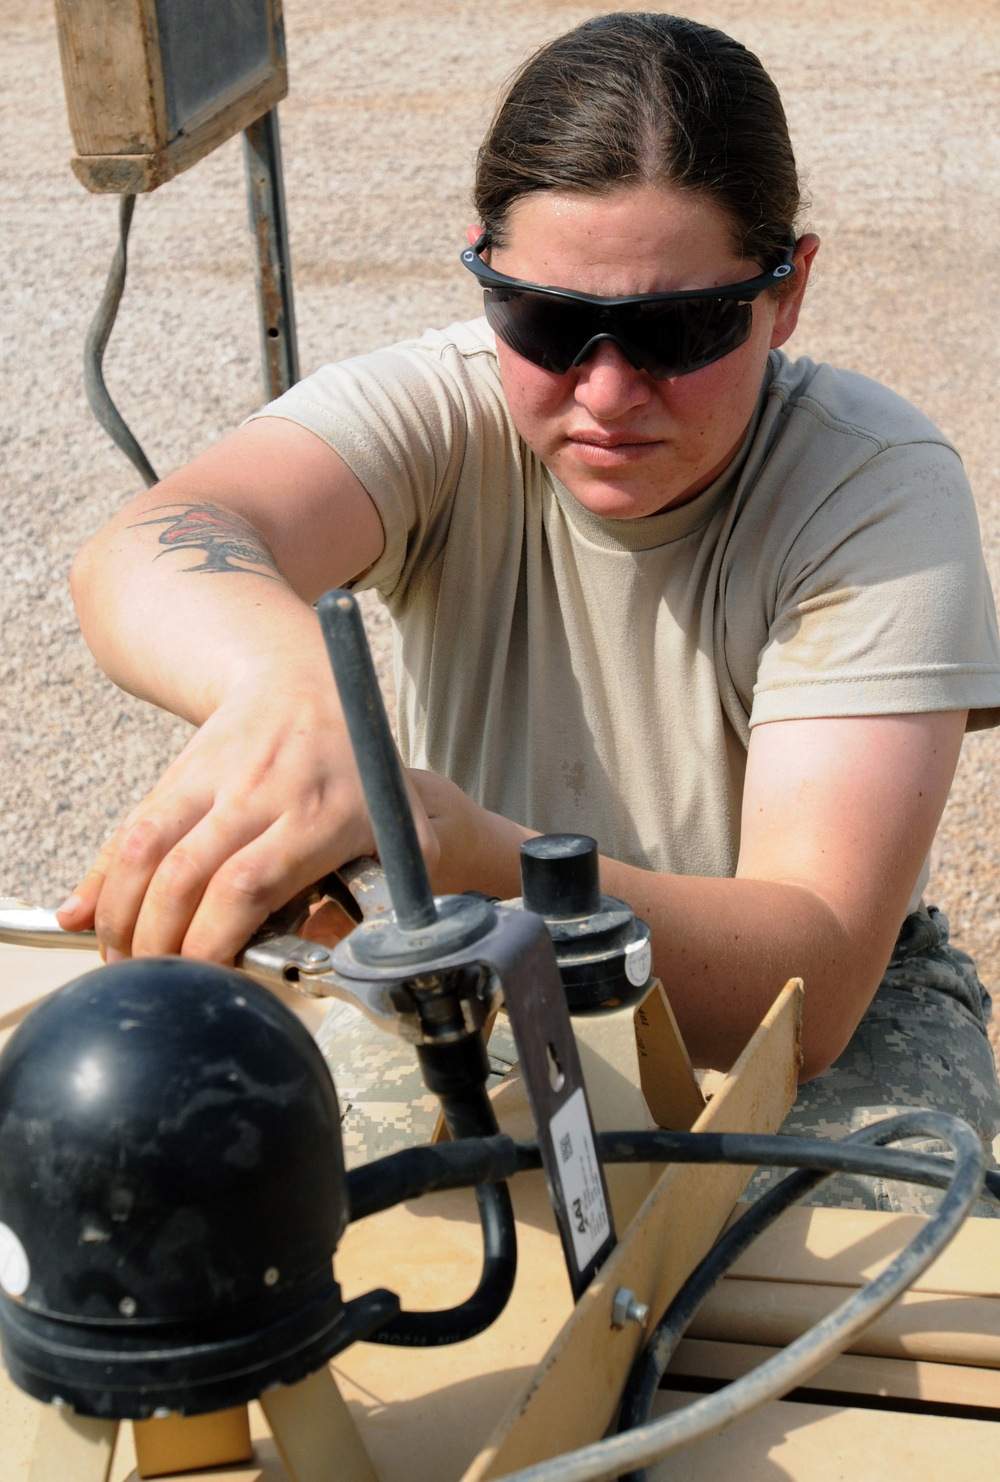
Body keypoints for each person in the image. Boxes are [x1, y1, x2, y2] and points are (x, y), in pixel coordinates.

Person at [61, 13, 1000, 1210]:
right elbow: (143, 548)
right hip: (483, 966)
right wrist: (293, 696)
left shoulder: (870, 485)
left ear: (788, 292)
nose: (607, 392)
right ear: (483, 276)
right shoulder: (446, 410)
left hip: (817, 1008)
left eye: (681, 331)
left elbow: (802, 981)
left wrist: (454, 840)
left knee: (839, 1313)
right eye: (549, 323)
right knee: (307, 1237)